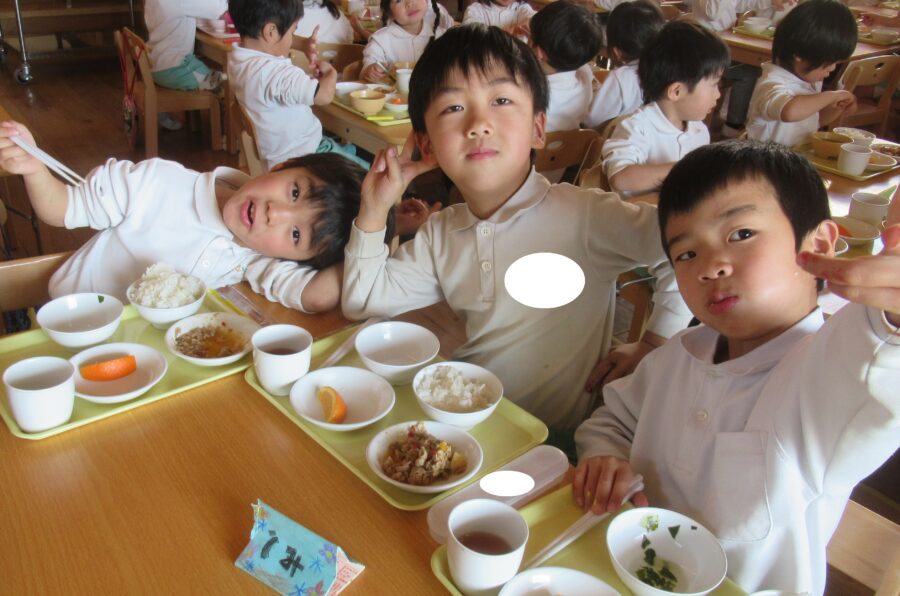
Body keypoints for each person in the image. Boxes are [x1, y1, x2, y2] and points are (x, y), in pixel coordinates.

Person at [342, 24, 692, 451]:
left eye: (502, 101)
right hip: (467, 429)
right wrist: (374, 208)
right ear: (426, 145)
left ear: (538, 128)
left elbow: (685, 247)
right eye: (453, 107)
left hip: (554, 445)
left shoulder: (585, 215)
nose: (478, 124)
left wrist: (655, 341)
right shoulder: (440, 233)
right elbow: (363, 302)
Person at [573, 139, 900, 595]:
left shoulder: (827, 374)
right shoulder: (678, 355)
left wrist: (891, 316)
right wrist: (605, 456)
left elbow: (878, 365)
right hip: (620, 572)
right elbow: (614, 420)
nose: (710, 267)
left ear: (820, 242)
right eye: (686, 254)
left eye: (741, 234)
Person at [0, 121, 390, 313]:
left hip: (138, 360)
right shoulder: (157, 183)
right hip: (64, 326)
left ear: (293, 257)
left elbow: (318, 295)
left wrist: (379, 221)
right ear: (283, 165)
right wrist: (35, 170)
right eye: (294, 192)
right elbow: (61, 209)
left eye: (296, 235)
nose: (277, 214)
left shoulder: (254, 259)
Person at [229, 0, 369, 171]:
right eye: (292, 32)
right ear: (271, 32)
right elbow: (324, 96)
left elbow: (271, 38)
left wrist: (301, 44)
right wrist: (330, 75)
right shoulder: (278, 73)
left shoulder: (238, 59)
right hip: (307, 157)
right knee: (367, 172)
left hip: (276, 157)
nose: (292, 39)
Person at [601, 20, 729, 196]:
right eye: (714, 84)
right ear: (676, 91)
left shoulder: (699, 130)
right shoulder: (638, 127)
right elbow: (620, 178)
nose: (718, 94)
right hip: (636, 212)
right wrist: (685, 169)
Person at [745, 0, 858, 147]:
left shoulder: (808, 81)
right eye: (828, 62)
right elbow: (789, 112)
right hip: (765, 160)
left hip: (797, 156)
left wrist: (836, 107)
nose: (832, 68)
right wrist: (832, 96)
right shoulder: (771, 84)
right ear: (799, 55)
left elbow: (812, 121)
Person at [586, 0, 664, 128]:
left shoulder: (622, 78)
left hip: (618, 136)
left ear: (617, 52)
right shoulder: (667, 67)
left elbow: (591, 120)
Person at [530, 0, 603, 133]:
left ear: (539, 52)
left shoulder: (531, 92)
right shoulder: (585, 74)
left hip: (535, 145)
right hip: (572, 143)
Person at [144, 0, 228, 93]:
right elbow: (217, 8)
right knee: (225, 81)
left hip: (156, 65)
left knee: (218, 74)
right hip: (176, 68)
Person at [360, 0, 454, 82]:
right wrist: (370, 71)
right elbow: (367, 68)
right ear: (389, 13)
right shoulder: (381, 40)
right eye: (399, 0)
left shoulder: (442, 36)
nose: (409, 3)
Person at [462, 0, 535, 38]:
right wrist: (506, 34)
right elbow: (471, 34)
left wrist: (530, 23)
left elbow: (534, 17)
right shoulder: (475, 10)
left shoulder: (522, 8)